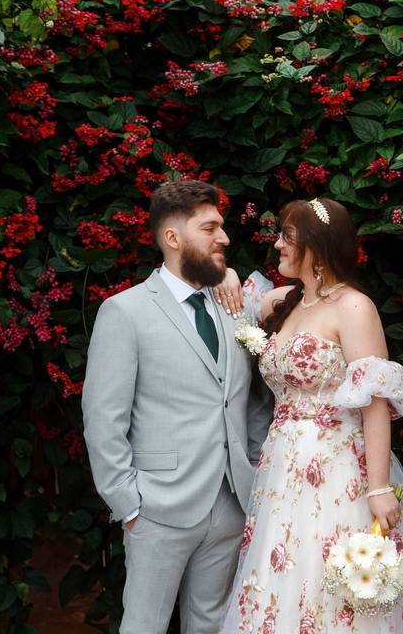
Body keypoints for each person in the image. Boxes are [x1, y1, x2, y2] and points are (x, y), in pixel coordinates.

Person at [217, 198, 403, 632]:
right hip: (281, 473)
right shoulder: (285, 302)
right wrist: (225, 273)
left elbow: (374, 402)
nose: (277, 245)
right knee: (282, 580)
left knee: (338, 588)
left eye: (288, 238)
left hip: (340, 472)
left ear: (316, 246)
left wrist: (378, 488)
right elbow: (229, 296)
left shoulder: (354, 307)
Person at [81, 180, 273, 634]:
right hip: (156, 506)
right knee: (145, 625)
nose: (224, 238)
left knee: (210, 625)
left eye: (222, 227)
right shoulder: (124, 312)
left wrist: (252, 467)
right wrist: (128, 504)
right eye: (210, 228)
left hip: (230, 502)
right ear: (172, 238)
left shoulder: (234, 306)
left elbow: (251, 403)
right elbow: (103, 419)